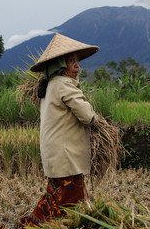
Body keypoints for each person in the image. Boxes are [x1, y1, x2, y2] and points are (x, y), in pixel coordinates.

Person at [19, 33, 100, 227]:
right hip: (66, 155)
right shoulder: (64, 85)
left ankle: (33, 224)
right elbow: (87, 116)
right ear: (60, 65)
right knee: (70, 202)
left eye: (77, 59)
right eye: (71, 60)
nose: (77, 64)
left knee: (56, 198)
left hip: (57, 153)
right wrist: (98, 120)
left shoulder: (51, 85)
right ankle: (36, 225)